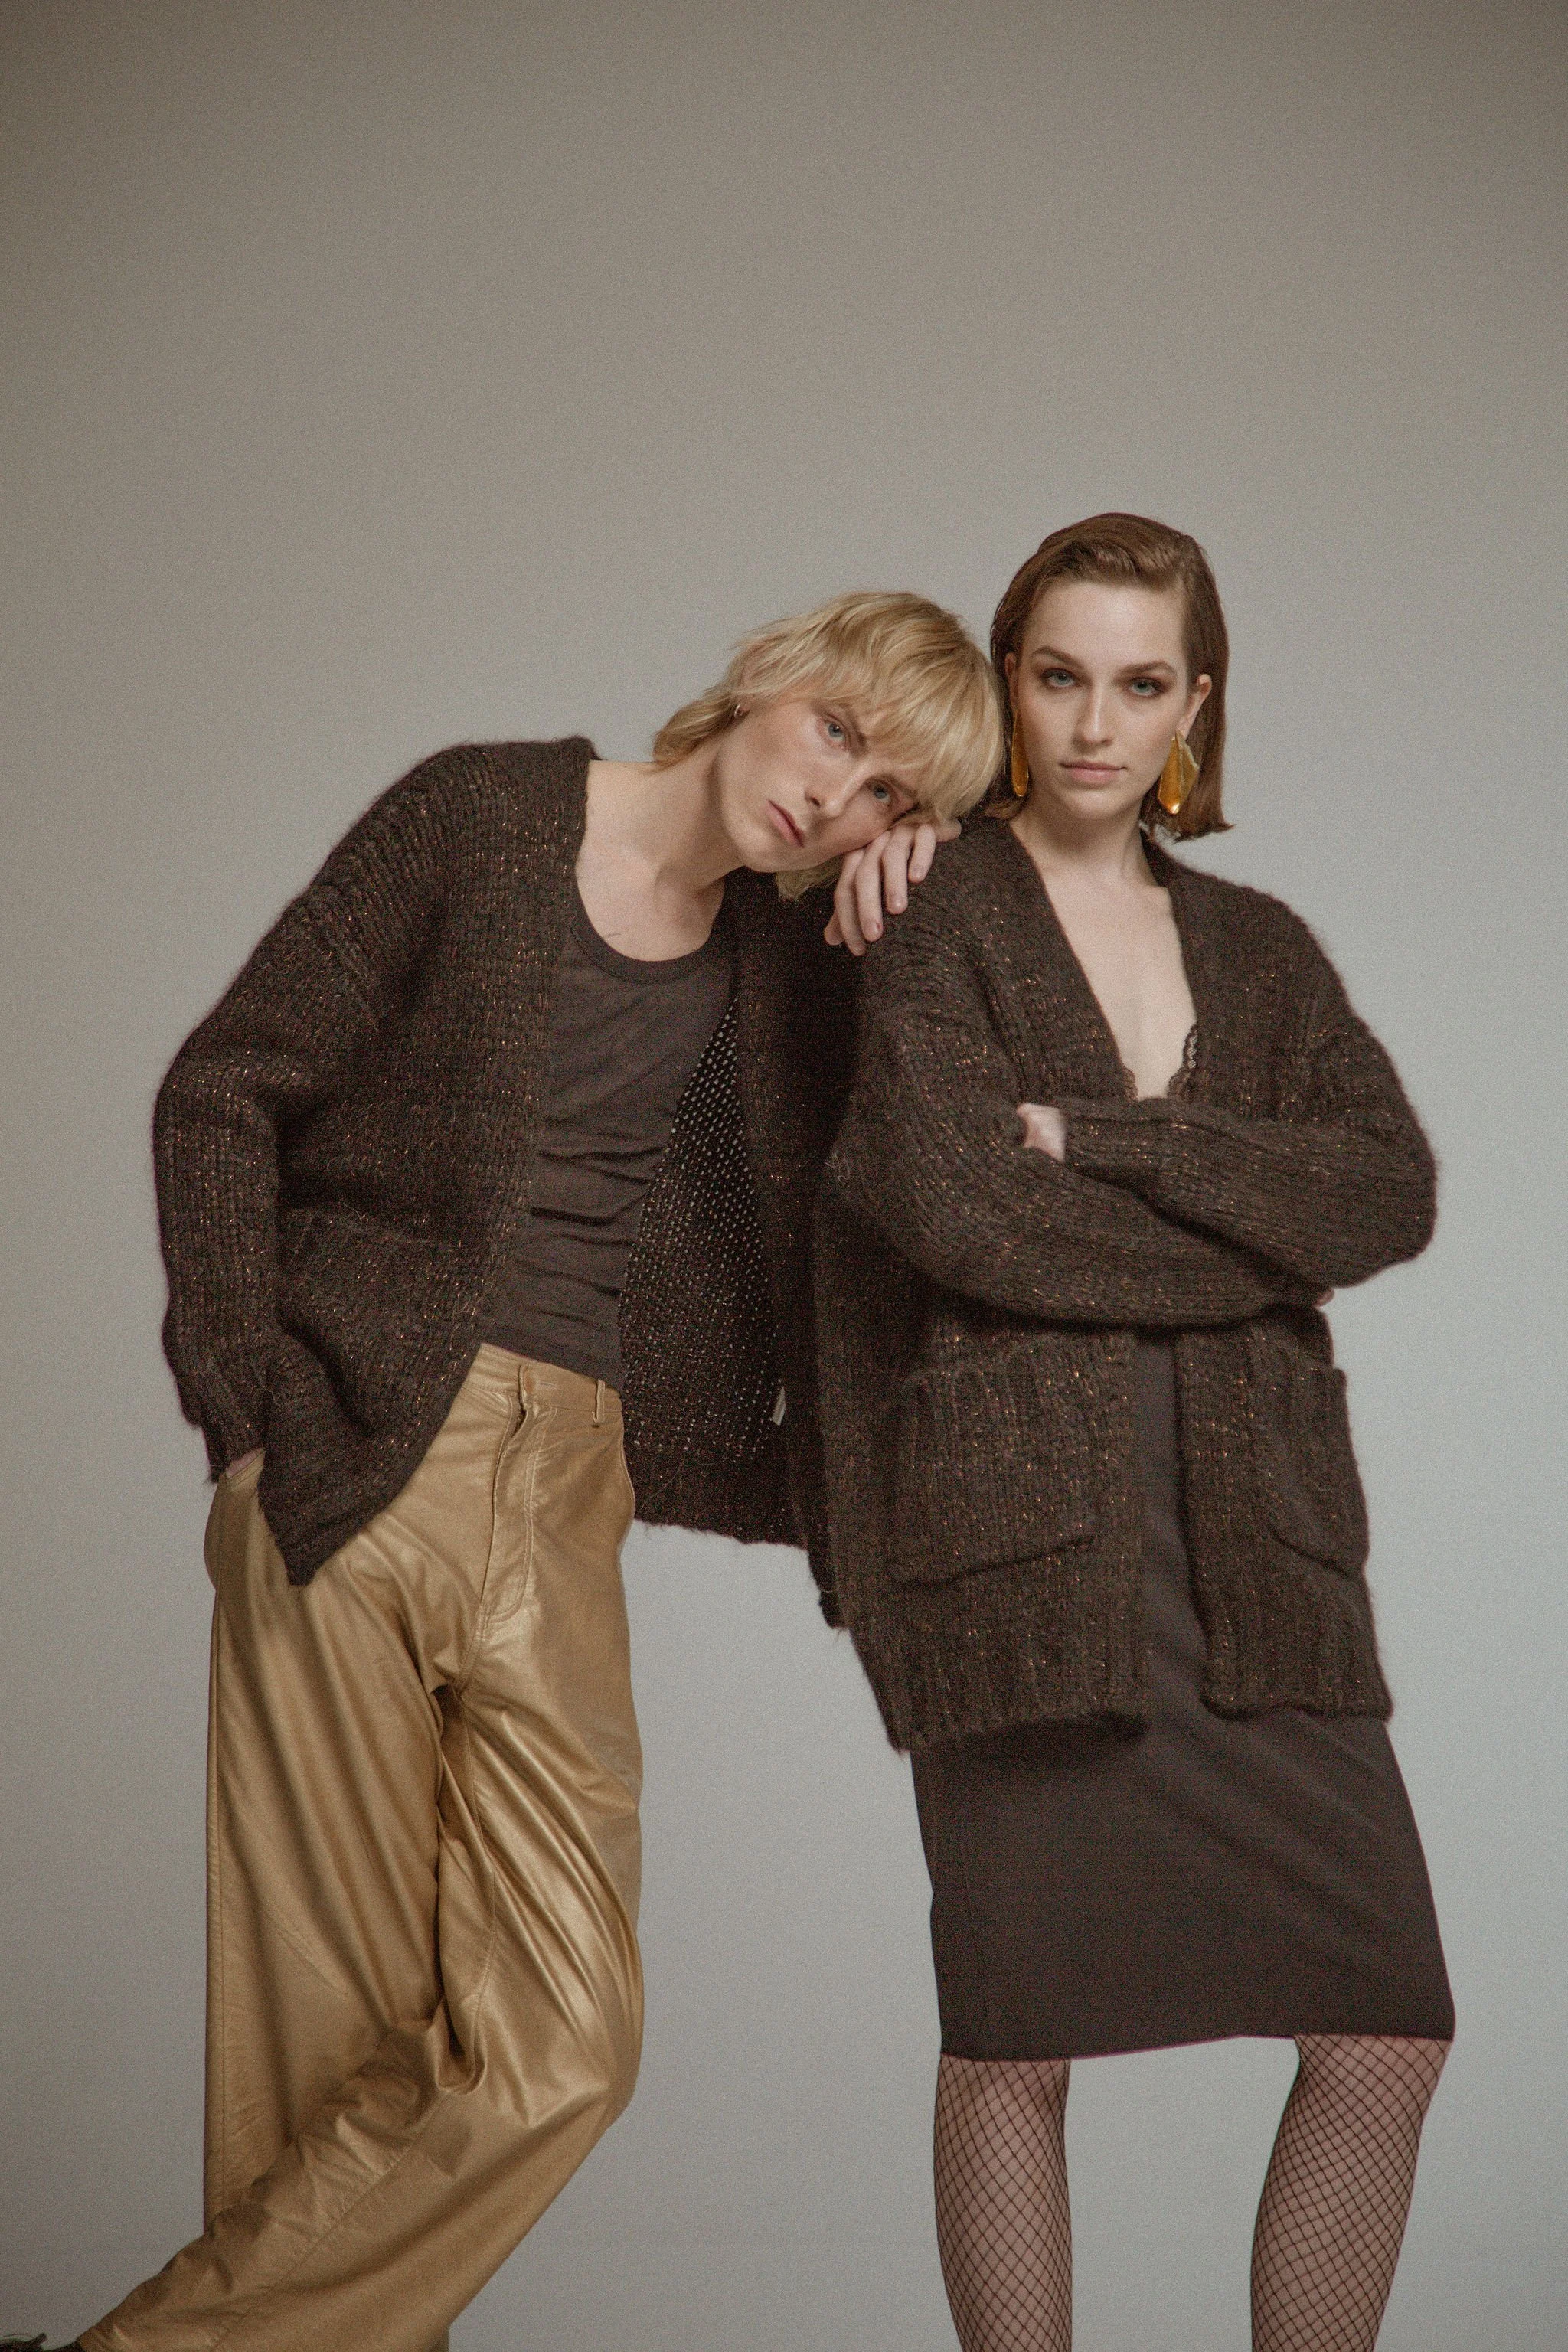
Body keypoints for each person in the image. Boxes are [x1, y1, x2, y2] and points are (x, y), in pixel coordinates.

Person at [9, 590, 1003, 2352]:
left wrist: (904, 926)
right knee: (327, 2052)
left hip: (571, 1487)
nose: (829, 800)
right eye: (840, 736)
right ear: (776, 670)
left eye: (880, 806)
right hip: (357, 1447)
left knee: (560, 2049)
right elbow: (227, 1087)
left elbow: (914, 1165)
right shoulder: (477, 816)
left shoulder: (788, 974)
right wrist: (246, 1416)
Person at [812, 517, 1454, 2352]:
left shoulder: (1258, 950)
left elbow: (1387, 1194)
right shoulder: (920, 909)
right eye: (1059, 673)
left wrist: (1117, 1144)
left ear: (1197, 703)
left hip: (1262, 1553)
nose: (1098, 722)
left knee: (1385, 2029)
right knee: (1016, 2043)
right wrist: (1246, 1251)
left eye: (1143, 682)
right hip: (1017, 1548)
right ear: (1009, 686)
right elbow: (949, 1213)